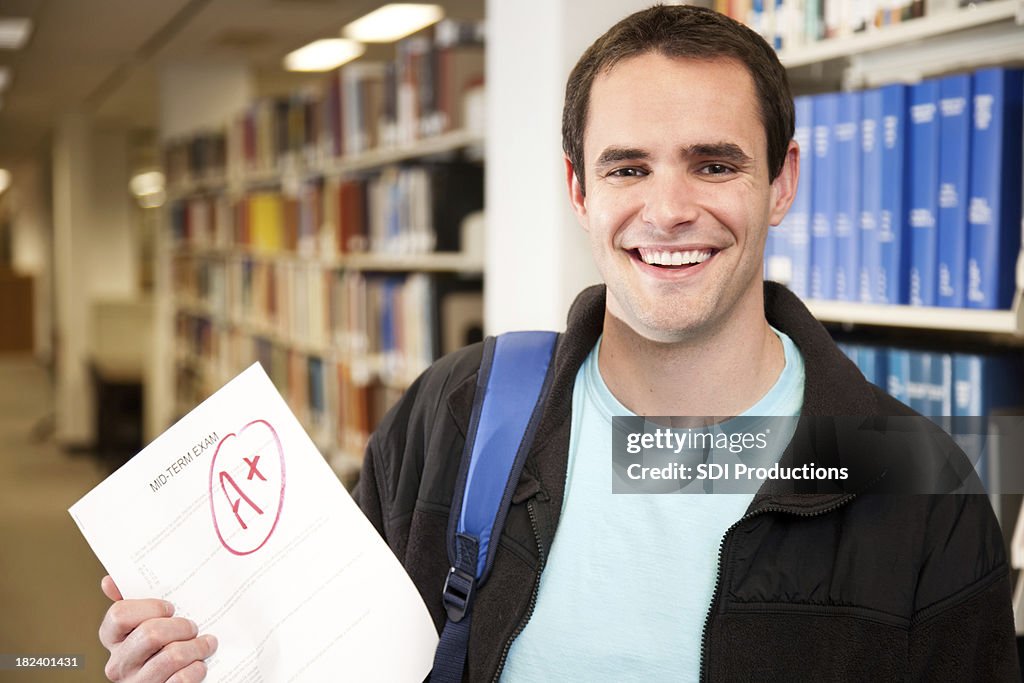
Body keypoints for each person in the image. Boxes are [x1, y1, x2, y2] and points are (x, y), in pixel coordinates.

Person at [98, 5, 1019, 681]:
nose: (667, 209)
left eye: (715, 163)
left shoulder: (914, 480)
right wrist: (206, 659)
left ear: (783, 183)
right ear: (578, 189)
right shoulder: (459, 415)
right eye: (628, 167)